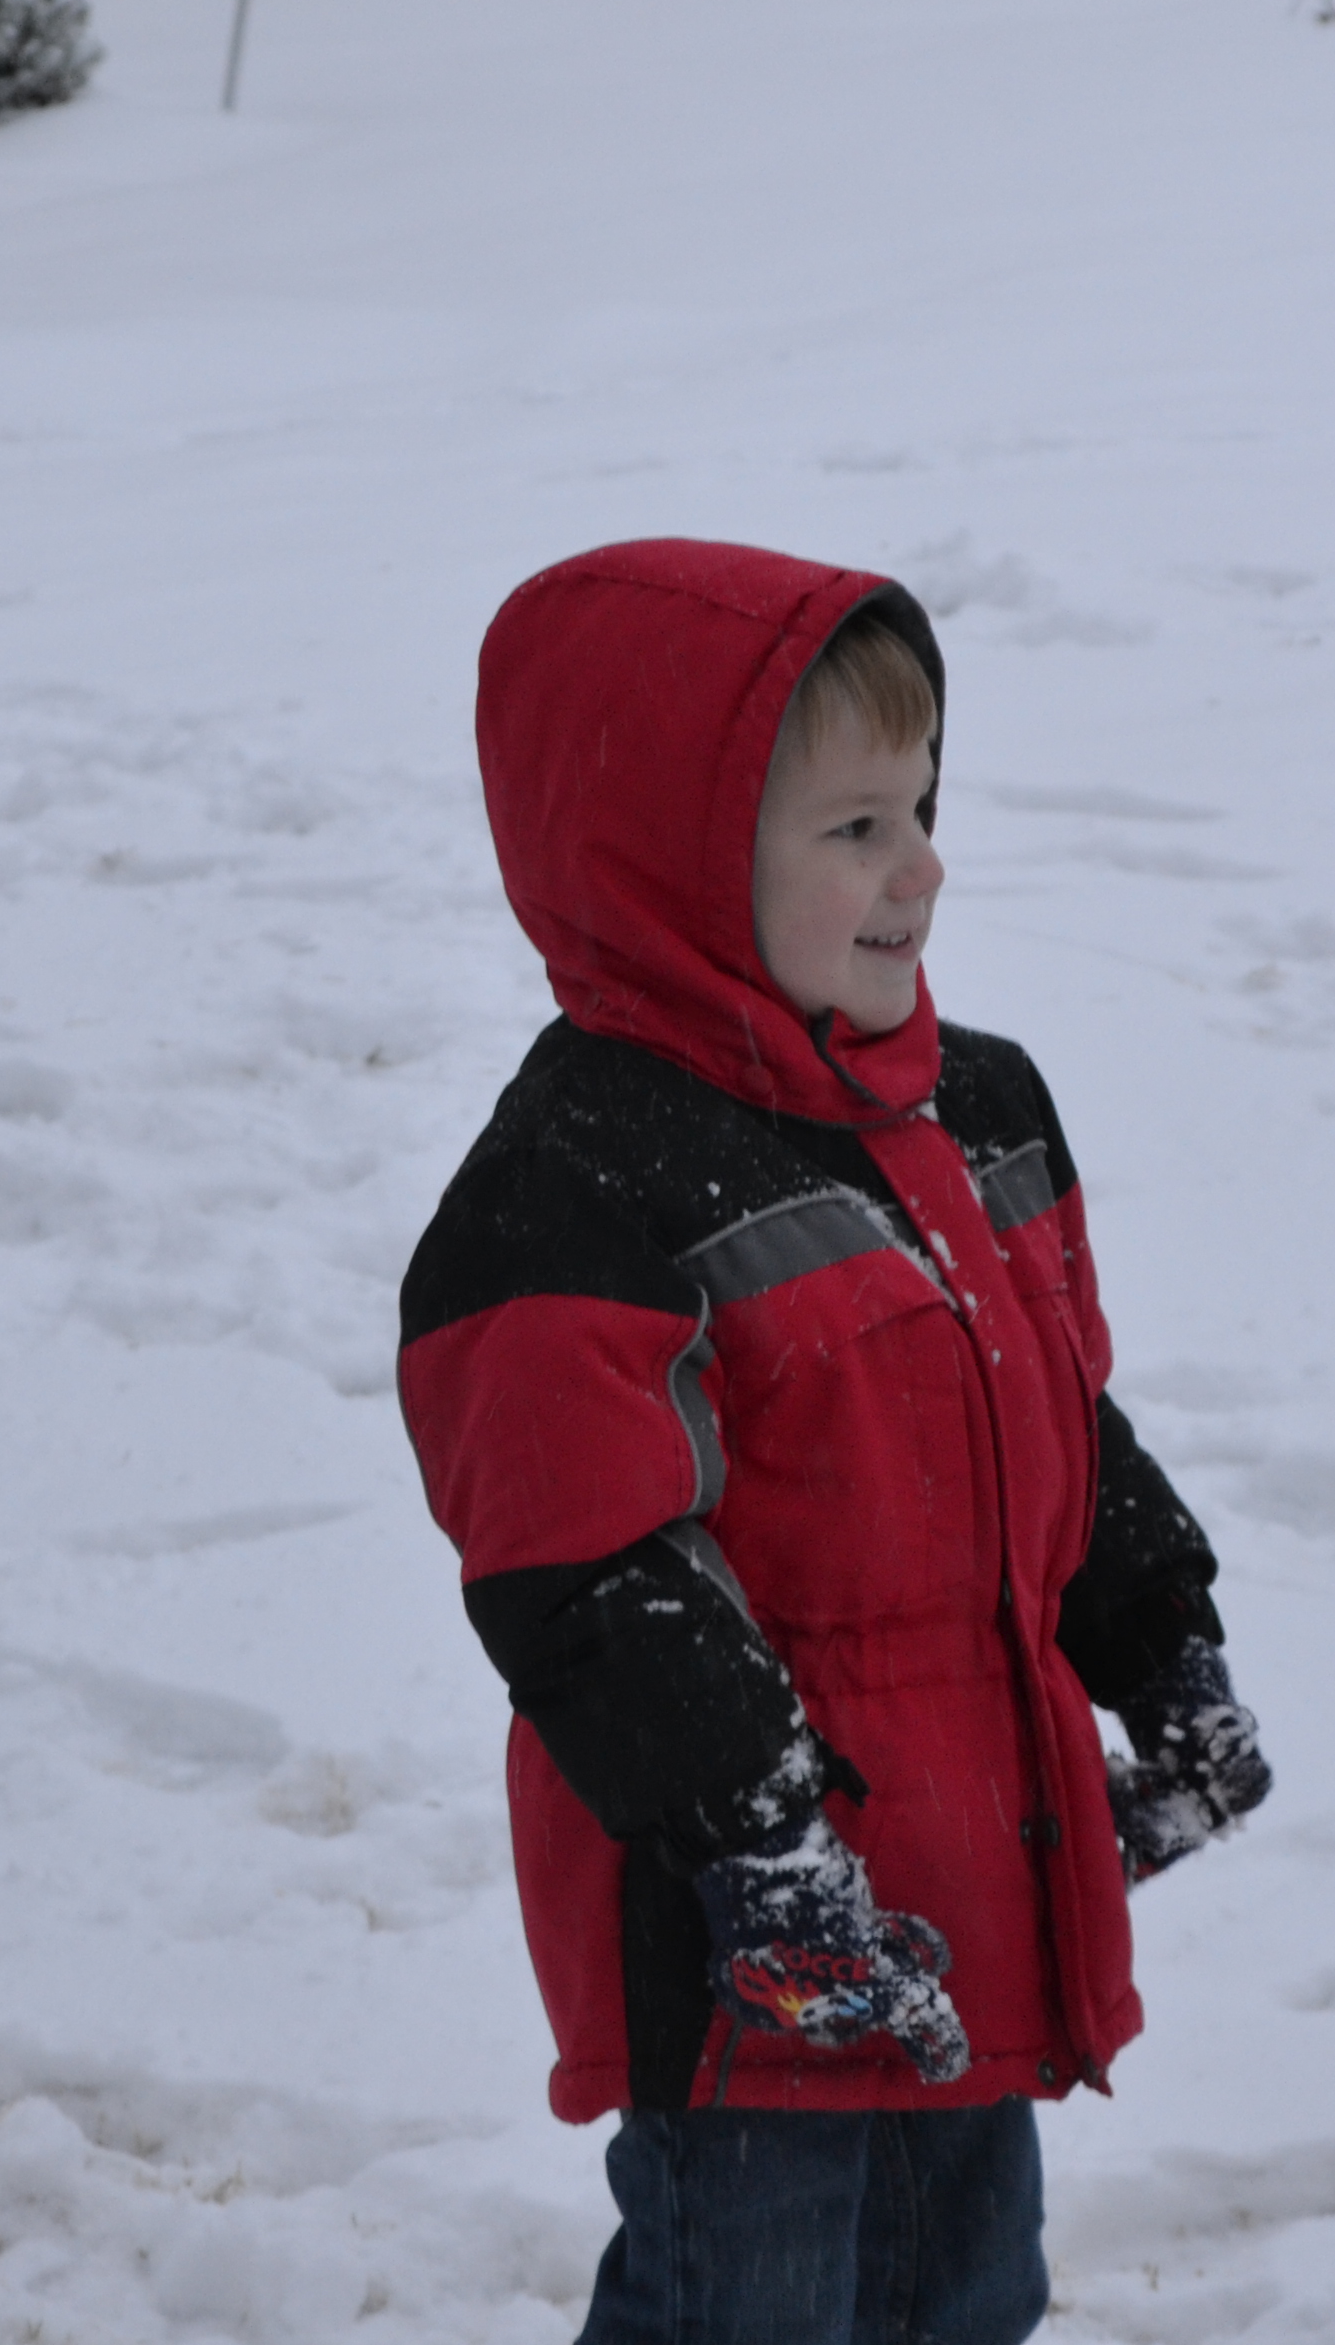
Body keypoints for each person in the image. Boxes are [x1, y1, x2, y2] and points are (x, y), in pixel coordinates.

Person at [400, 539, 1272, 2345]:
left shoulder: (982, 1106)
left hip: (970, 1891)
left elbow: (1056, 1424)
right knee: (755, 2313)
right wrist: (767, 1853)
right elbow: (587, 1574)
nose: (922, 868)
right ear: (677, 865)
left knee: (969, 2298)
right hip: (748, 1951)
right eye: (856, 829)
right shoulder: (576, 1189)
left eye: (925, 808)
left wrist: (1166, 1645)